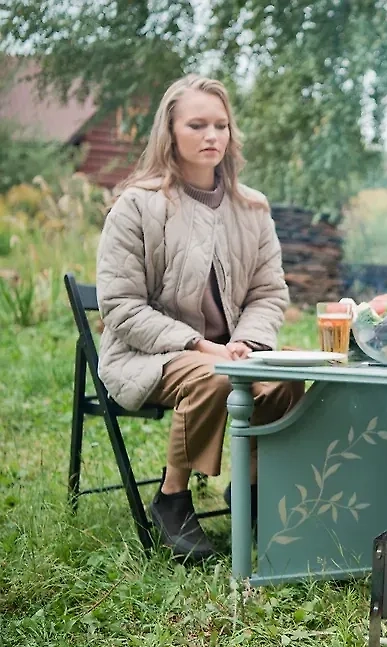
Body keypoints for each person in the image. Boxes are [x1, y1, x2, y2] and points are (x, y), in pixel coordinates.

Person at [96, 74, 304, 563]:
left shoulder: (251, 207)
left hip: (234, 353)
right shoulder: (138, 206)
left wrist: (249, 345)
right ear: (170, 131)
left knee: (289, 376)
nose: (212, 136)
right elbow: (122, 309)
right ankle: (171, 498)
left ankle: (248, 490)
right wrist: (204, 348)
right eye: (197, 125)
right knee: (215, 378)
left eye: (221, 126)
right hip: (153, 356)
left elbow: (269, 292)